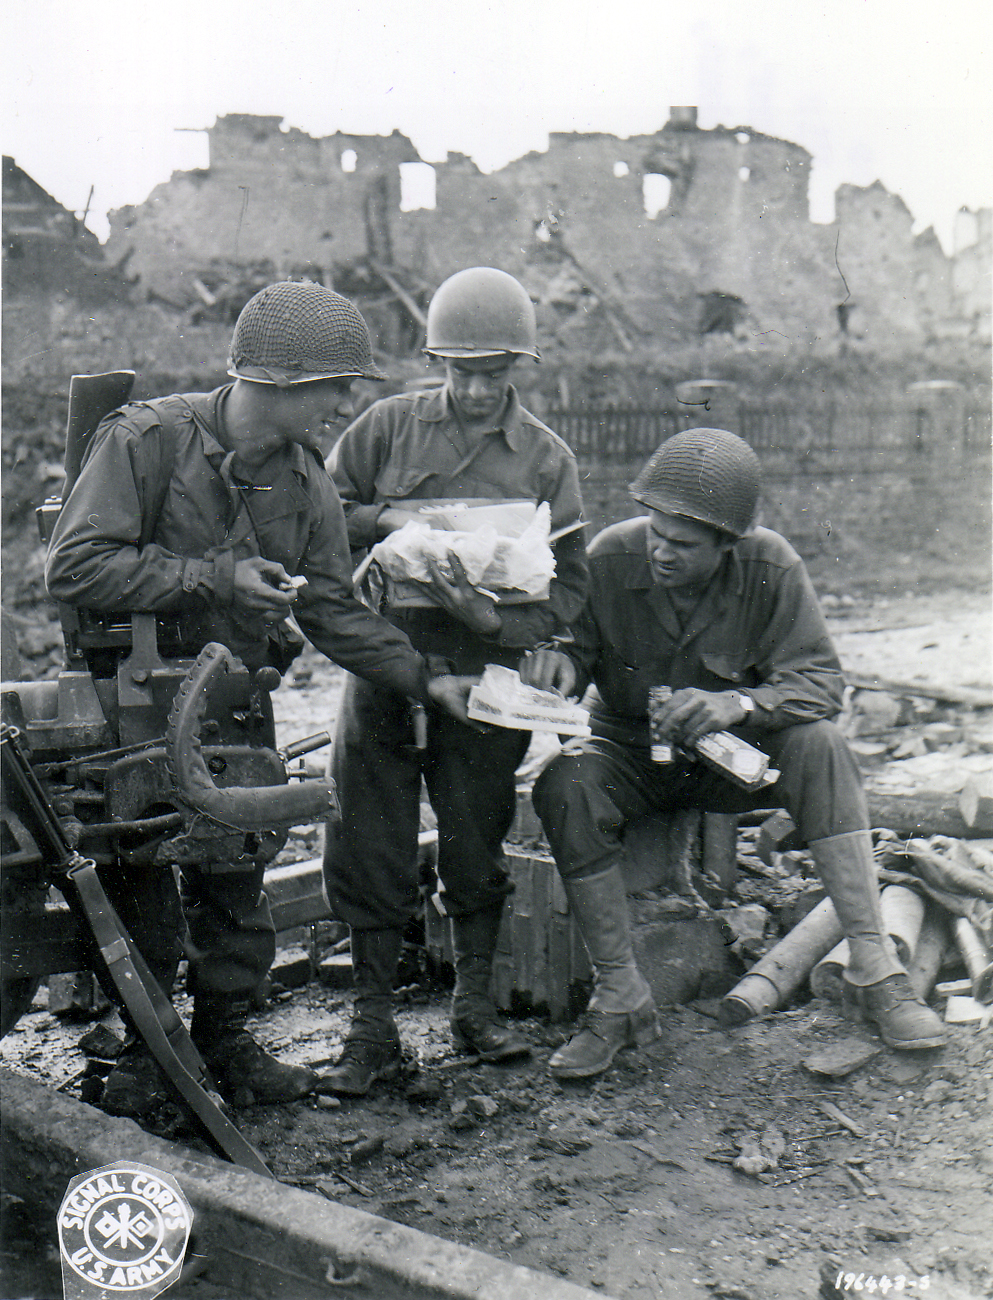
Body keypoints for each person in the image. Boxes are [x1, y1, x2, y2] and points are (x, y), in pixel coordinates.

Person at [45, 280, 475, 1118]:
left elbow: (329, 607)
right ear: (283, 382)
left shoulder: (305, 481)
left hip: (233, 706)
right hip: (128, 705)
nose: (344, 402)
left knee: (238, 885)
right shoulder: (147, 441)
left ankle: (226, 1043)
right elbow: (74, 565)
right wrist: (212, 576)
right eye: (335, 384)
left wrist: (424, 677)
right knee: (142, 883)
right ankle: (149, 1054)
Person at [520, 427, 947, 1079]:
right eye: (655, 533)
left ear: (728, 545)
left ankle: (873, 968)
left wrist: (739, 704)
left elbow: (821, 684)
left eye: (683, 545)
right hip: (630, 754)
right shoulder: (609, 558)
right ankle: (619, 997)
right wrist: (557, 667)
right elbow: (574, 650)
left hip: (732, 762)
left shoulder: (768, 567)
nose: (661, 552)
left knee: (822, 747)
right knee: (563, 783)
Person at [322, 266, 589, 1094]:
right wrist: (384, 520)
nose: (476, 389)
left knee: (474, 835)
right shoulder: (385, 429)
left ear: (520, 366)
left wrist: (500, 626)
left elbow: (571, 589)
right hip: (386, 661)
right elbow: (317, 514)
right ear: (436, 362)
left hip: (486, 673)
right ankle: (370, 1029)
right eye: (460, 370)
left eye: (494, 371)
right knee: (368, 833)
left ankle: (473, 1008)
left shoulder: (544, 459)